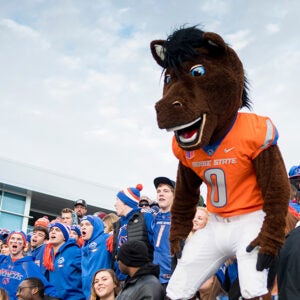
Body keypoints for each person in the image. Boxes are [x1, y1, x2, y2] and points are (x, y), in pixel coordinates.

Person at [112, 184, 154, 281]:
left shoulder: (145, 217)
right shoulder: (118, 223)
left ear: (125, 202)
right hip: (120, 279)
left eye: (117, 200)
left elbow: (155, 246)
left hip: (140, 278)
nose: (115, 204)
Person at [0, 231, 58, 300]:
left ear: (24, 245)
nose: (15, 241)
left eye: (19, 239)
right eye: (12, 238)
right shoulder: (2, 260)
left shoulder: (29, 266)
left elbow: (45, 287)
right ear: (8, 243)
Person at [42, 222, 85, 300]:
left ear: (65, 237)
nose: (53, 232)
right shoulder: (49, 254)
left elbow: (86, 273)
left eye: (57, 230)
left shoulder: (74, 251)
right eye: (51, 230)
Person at [152, 177, 175, 296]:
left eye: (166, 191)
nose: (161, 193)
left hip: (172, 280)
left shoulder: (181, 220)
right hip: (153, 278)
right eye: (158, 191)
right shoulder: (154, 218)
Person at [80, 215, 112, 299]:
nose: (83, 227)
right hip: (88, 295)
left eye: (87, 224)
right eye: (81, 225)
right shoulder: (84, 247)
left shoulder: (106, 239)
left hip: (103, 293)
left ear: (96, 227)